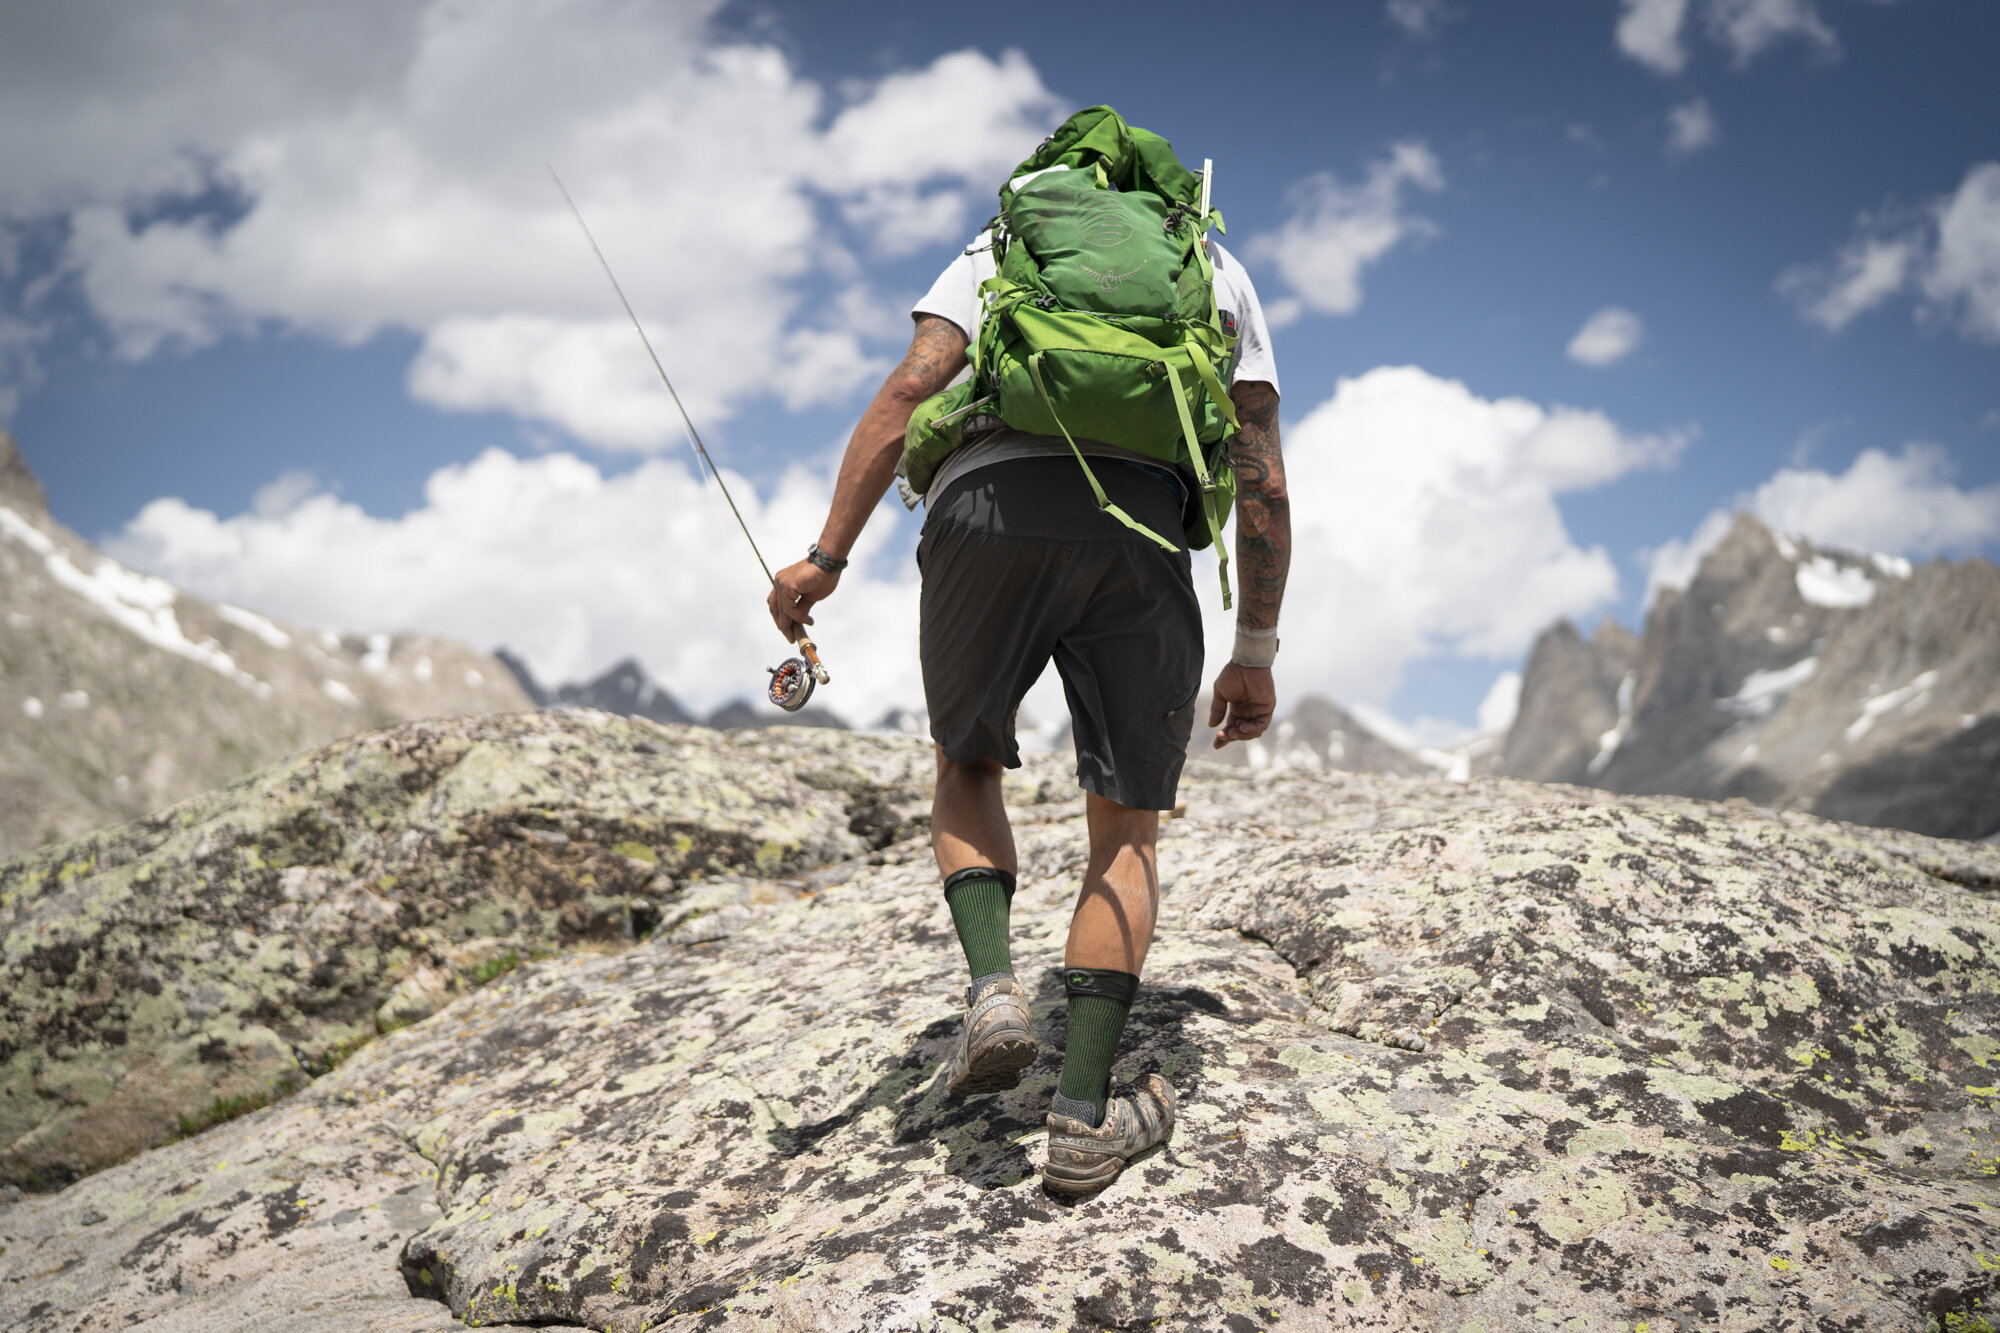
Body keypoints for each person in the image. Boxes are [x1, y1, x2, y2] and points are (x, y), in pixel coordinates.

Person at [767, 141, 1289, 1198]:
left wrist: (824, 557)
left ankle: (996, 989)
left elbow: (913, 384)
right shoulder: (1210, 265)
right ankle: (1084, 1121)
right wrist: (1253, 651)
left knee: (966, 762)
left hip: (984, 507)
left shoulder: (1003, 239)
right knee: (1125, 823)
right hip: (1141, 527)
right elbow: (1259, 472)